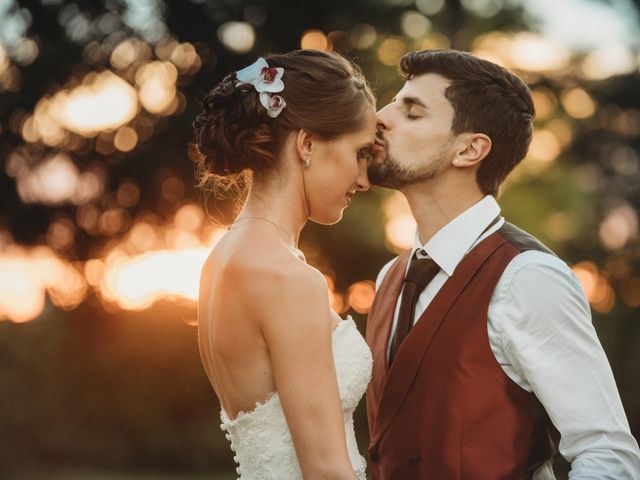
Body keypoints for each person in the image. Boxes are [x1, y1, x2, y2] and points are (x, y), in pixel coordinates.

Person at [365, 49, 640, 479]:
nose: (380, 118)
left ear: (469, 149)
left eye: (412, 113)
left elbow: (608, 454)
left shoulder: (527, 278)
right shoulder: (389, 279)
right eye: (392, 103)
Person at [192, 49, 375, 479]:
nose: (364, 179)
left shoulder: (221, 261)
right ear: (307, 144)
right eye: (359, 154)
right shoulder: (288, 279)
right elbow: (328, 470)